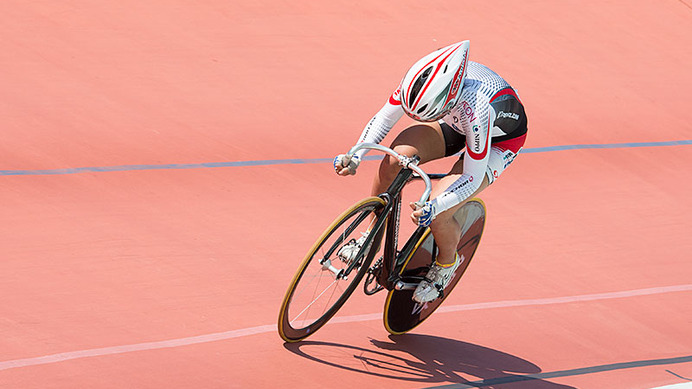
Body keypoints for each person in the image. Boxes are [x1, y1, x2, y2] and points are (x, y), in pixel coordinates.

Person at [333, 40, 528, 304]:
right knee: (393, 162)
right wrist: (355, 154)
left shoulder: (477, 108)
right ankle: (371, 237)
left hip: (496, 141)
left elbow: (470, 177)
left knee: (441, 212)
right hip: (453, 120)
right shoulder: (420, 80)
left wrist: (436, 206)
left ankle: (447, 264)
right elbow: (384, 118)